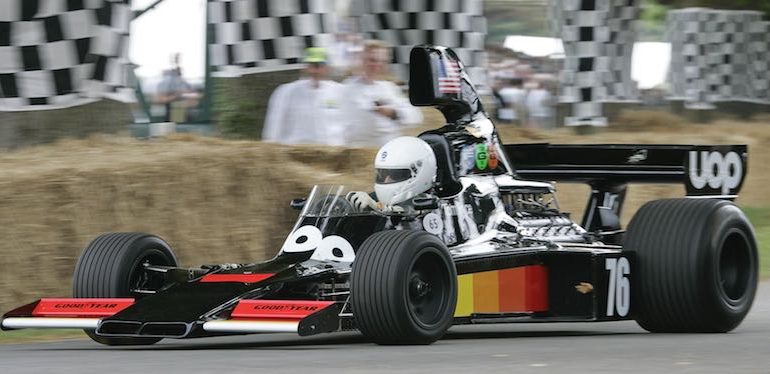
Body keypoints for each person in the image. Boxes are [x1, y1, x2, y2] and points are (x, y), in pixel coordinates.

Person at [340, 40, 423, 147]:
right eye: (372, 60)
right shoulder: (346, 88)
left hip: (389, 150)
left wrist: (393, 113)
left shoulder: (390, 88)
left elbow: (416, 116)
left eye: (381, 61)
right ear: (362, 60)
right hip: (360, 151)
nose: (376, 65)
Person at [262, 47, 345, 145]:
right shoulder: (286, 91)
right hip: (296, 152)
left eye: (318, 66)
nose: (313, 71)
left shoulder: (340, 91)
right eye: (310, 65)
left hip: (333, 153)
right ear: (305, 67)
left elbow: (350, 124)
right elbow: (274, 122)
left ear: (327, 68)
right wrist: (269, 145)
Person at [347, 136, 437, 213]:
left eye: (395, 175)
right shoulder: (375, 197)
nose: (386, 180)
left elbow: (406, 213)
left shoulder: (431, 205)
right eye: (382, 174)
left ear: (418, 174)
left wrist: (377, 207)